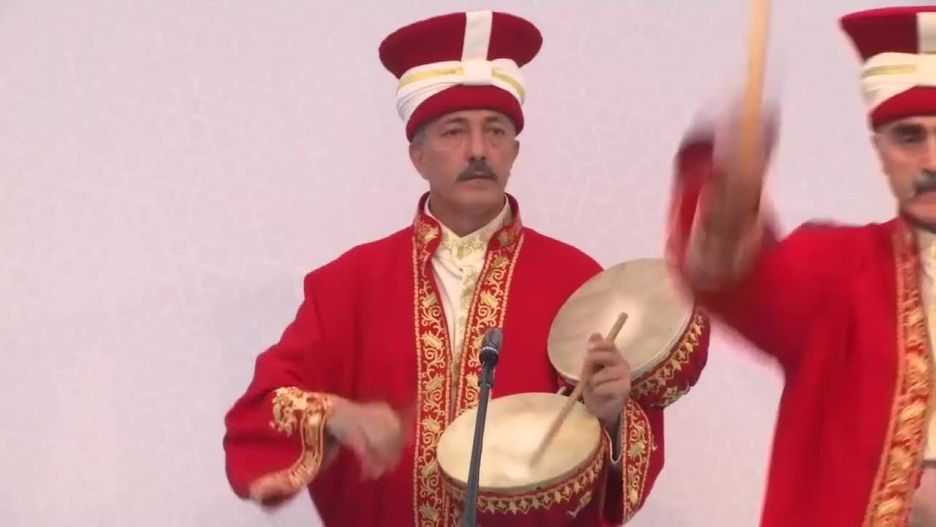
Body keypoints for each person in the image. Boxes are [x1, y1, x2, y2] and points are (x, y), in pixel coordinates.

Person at [223, 9, 708, 527]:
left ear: (514, 152)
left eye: (495, 132)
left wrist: (611, 419)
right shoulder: (347, 285)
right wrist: (336, 416)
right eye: (454, 132)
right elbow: (261, 410)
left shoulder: (576, 281)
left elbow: (629, 443)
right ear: (417, 156)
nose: (478, 150)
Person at [665, 5, 936, 526]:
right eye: (909, 137)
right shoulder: (840, 270)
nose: (931, 161)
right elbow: (738, 288)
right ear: (880, 150)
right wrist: (730, 202)